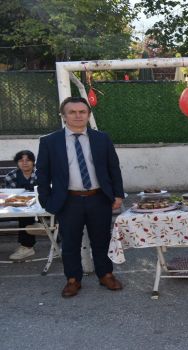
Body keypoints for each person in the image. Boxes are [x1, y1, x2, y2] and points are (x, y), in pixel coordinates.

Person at [36, 96, 125, 298]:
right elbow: (42, 174)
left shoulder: (102, 138)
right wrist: (47, 201)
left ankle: (106, 275)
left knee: (102, 240)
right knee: (70, 243)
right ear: (64, 115)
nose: (77, 116)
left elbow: (113, 168)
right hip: (68, 200)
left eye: (82, 112)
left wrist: (118, 194)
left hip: (98, 198)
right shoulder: (49, 141)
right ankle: (73, 280)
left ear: (88, 114)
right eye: (72, 112)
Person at [5, 150, 42, 260]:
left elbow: (44, 192)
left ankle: (27, 247)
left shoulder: (40, 174)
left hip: (40, 204)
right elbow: (11, 195)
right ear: (17, 162)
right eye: (21, 160)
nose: (25, 163)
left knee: (27, 215)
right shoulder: (11, 175)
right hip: (20, 206)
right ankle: (26, 245)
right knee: (25, 214)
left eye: (28, 160)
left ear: (33, 162)